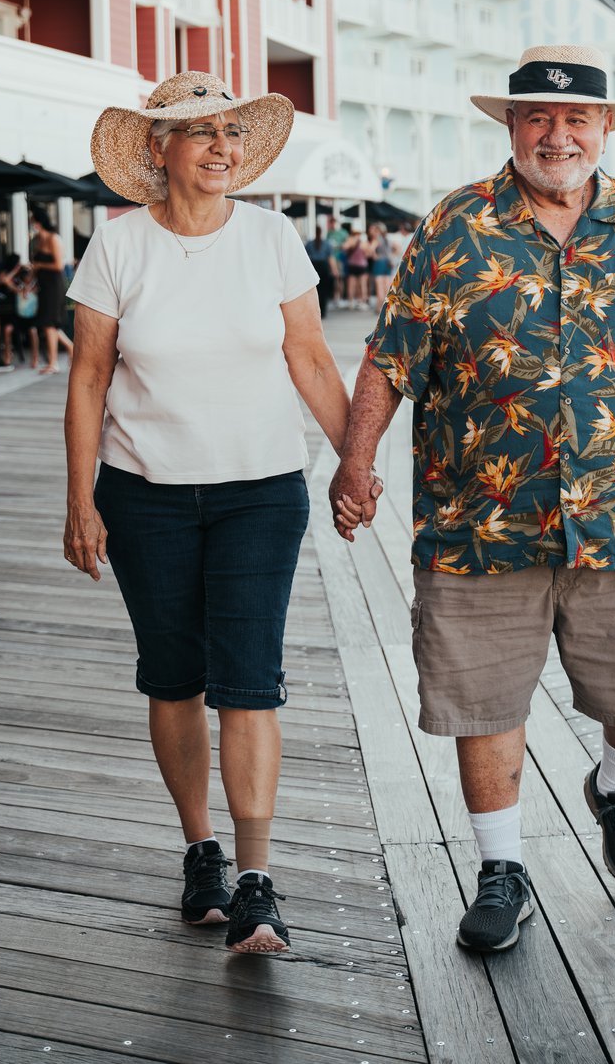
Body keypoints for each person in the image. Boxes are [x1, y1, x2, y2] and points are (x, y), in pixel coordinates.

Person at [330, 44, 615, 955]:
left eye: (576, 119)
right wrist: (355, 461)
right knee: (483, 701)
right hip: (480, 522)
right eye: (538, 118)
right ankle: (501, 869)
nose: (557, 135)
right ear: (512, 125)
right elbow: (391, 357)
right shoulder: (454, 226)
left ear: (604, 128)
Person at [63, 70, 380, 958]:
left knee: (249, 678)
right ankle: (200, 849)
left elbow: (309, 356)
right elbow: (88, 377)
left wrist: (353, 461)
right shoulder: (117, 245)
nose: (221, 147)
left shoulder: (272, 237)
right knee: (173, 677)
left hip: (260, 491)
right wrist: (80, 498)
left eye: (231, 132)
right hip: (143, 493)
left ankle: (254, 880)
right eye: (201, 132)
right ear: (158, 149)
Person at [30, 207, 74, 373]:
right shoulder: (38, 240)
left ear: (39, 222)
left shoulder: (53, 238)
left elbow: (58, 265)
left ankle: (53, 362)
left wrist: (40, 265)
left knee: (49, 323)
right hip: (43, 286)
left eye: (33, 222)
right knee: (49, 324)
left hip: (54, 286)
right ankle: (70, 348)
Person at [0, 252, 39, 369]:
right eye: (25, 277)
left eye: (29, 277)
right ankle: (7, 355)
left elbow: (36, 274)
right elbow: (5, 280)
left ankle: (35, 357)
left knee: (33, 331)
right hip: (17, 316)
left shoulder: (35, 286)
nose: (27, 279)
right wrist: (16, 270)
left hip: (31, 317)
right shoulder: (18, 287)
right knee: (7, 329)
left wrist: (31, 267)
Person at [304, 225, 336, 318]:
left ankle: (315, 311)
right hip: (324, 267)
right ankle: (323, 311)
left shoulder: (309, 244)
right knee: (324, 291)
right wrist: (334, 270)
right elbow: (330, 258)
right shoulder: (327, 244)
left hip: (314, 267)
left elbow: (306, 258)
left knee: (315, 291)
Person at [344, 224, 373, 309]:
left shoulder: (350, 240)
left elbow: (344, 248)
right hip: (361, 265)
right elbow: (368, 254)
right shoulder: (363, 242)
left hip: (352, 265)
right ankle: (361, 302)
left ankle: (351, 302)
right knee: (362, 285)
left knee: (351, 285)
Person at [368, 221, 393, 307]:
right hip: (387, 262)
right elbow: (396, 248)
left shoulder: (377, 239)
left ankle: (379, 307)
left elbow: (371, 249)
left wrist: (374, 255)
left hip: (379, 263)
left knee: (379, 286)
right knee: (387, 286)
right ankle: (387, 307)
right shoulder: (386, 239)